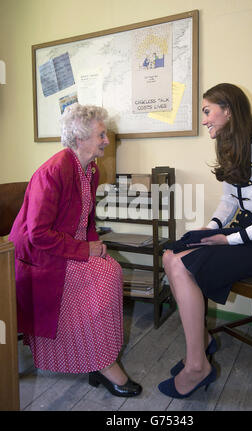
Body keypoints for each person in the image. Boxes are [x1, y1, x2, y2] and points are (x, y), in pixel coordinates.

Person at [158, 83, 252, 399]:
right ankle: (203, 342)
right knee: (170, 255)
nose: (204, 120)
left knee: (181, 266)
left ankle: (197, 366)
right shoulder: (230, 144)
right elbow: (229, 201)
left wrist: (230, 239)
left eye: (207, 111)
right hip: (239, 233)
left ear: (228, 110)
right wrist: (210, 231)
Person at [9, 103, 142, 397]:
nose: (106, 141)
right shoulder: (54, 171)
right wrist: (86, 252)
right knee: (106, 276)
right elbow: (38, 234)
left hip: (64, 249)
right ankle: (104, 364)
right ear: (80, 139)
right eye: (101, 135)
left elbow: (85, 220)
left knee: (111, 269)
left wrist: (96, 246)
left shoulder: (90, 169)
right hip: (40, 255)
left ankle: (97, 356)